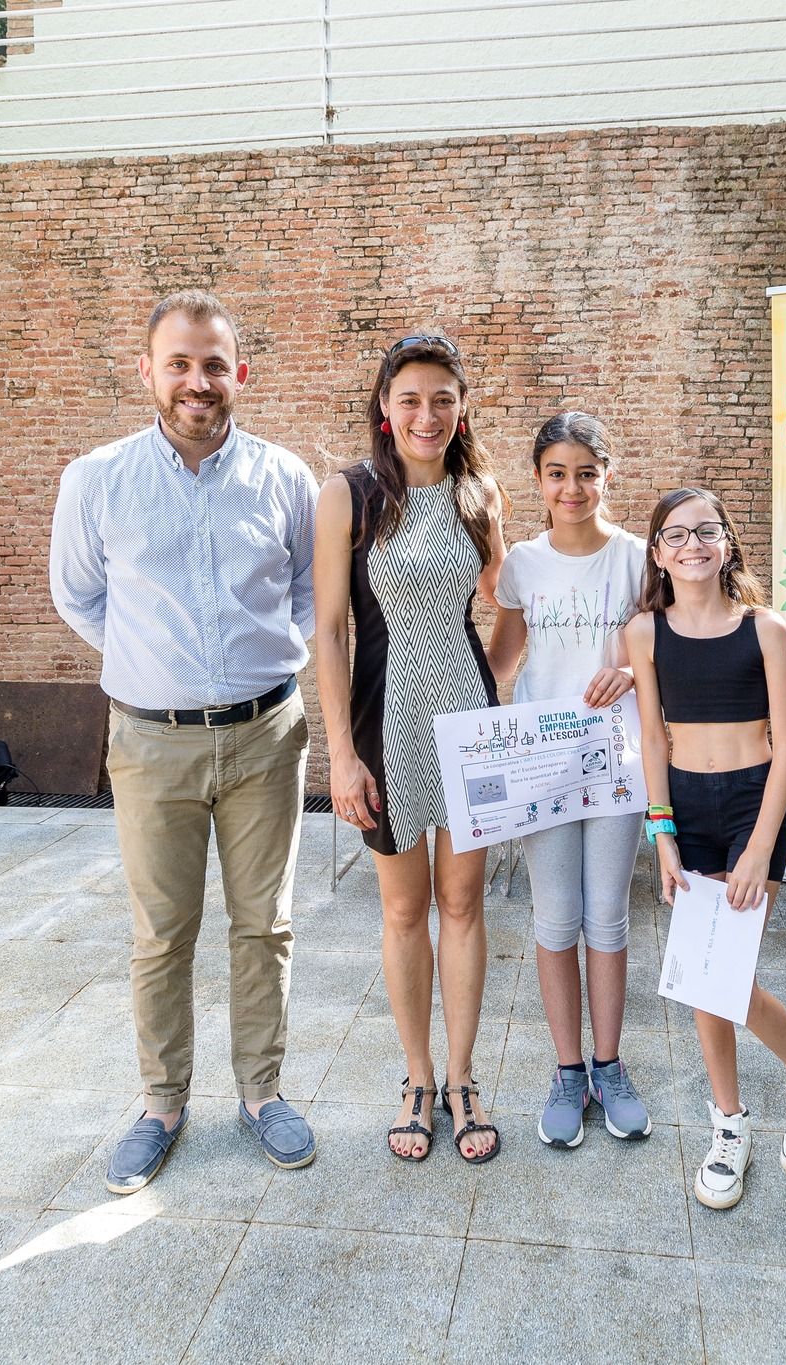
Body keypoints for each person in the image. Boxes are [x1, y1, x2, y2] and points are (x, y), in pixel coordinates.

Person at [50, 289, 320, 1194]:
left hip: (266, 736)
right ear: (147, 371)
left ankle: (263, 1093)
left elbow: (313, 596)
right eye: (179, 363)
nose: (197, 382)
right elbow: (79, 596)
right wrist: (152, 665)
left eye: (214, 364)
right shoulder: (97, 480)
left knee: (264, 927)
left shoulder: (286, 479)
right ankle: (162, 1104)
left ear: (239, 373)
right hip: (150, 743)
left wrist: (257, 663)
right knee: (161, 933)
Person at [623, 487, 786, 1210]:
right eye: (676, 534)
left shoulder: (766, 628)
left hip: (755, 804)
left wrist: (757, 849)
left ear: (728, 545)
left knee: (723, 970)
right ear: (657, 552)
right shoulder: (644, 633)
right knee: (700, 977)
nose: (692, 544)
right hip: (685, 808)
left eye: (707, 531)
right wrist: (661, 833)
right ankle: (731, 1124)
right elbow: (653, 738)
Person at [314, 333, 506, 1164]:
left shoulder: (479, 494)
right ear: (385, 409)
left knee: (464, 906)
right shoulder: (348, 494)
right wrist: (340, 754)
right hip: (382, 726)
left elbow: (510, 607)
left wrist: (488, 694)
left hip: (467, 727)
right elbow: (327, 630)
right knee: (402, 910)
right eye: (410, 398)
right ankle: (417, 1078)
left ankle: (464, 1080)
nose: (426, 413)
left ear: (462, 408)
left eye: (442, 398)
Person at [485, 412, 651, 1148]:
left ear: (606, 475)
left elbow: (657, 653)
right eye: (558, 473)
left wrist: (630, 670)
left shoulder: (637, 559)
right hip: (542, 768)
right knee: (554, 920)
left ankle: (610, 1065)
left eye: (587, 472)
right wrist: (475, 741)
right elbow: (501, 663)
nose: (573, 486)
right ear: (540, 481)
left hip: (615, 763)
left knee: (606, 918)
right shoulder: (523, 563)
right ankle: (567, 1069)